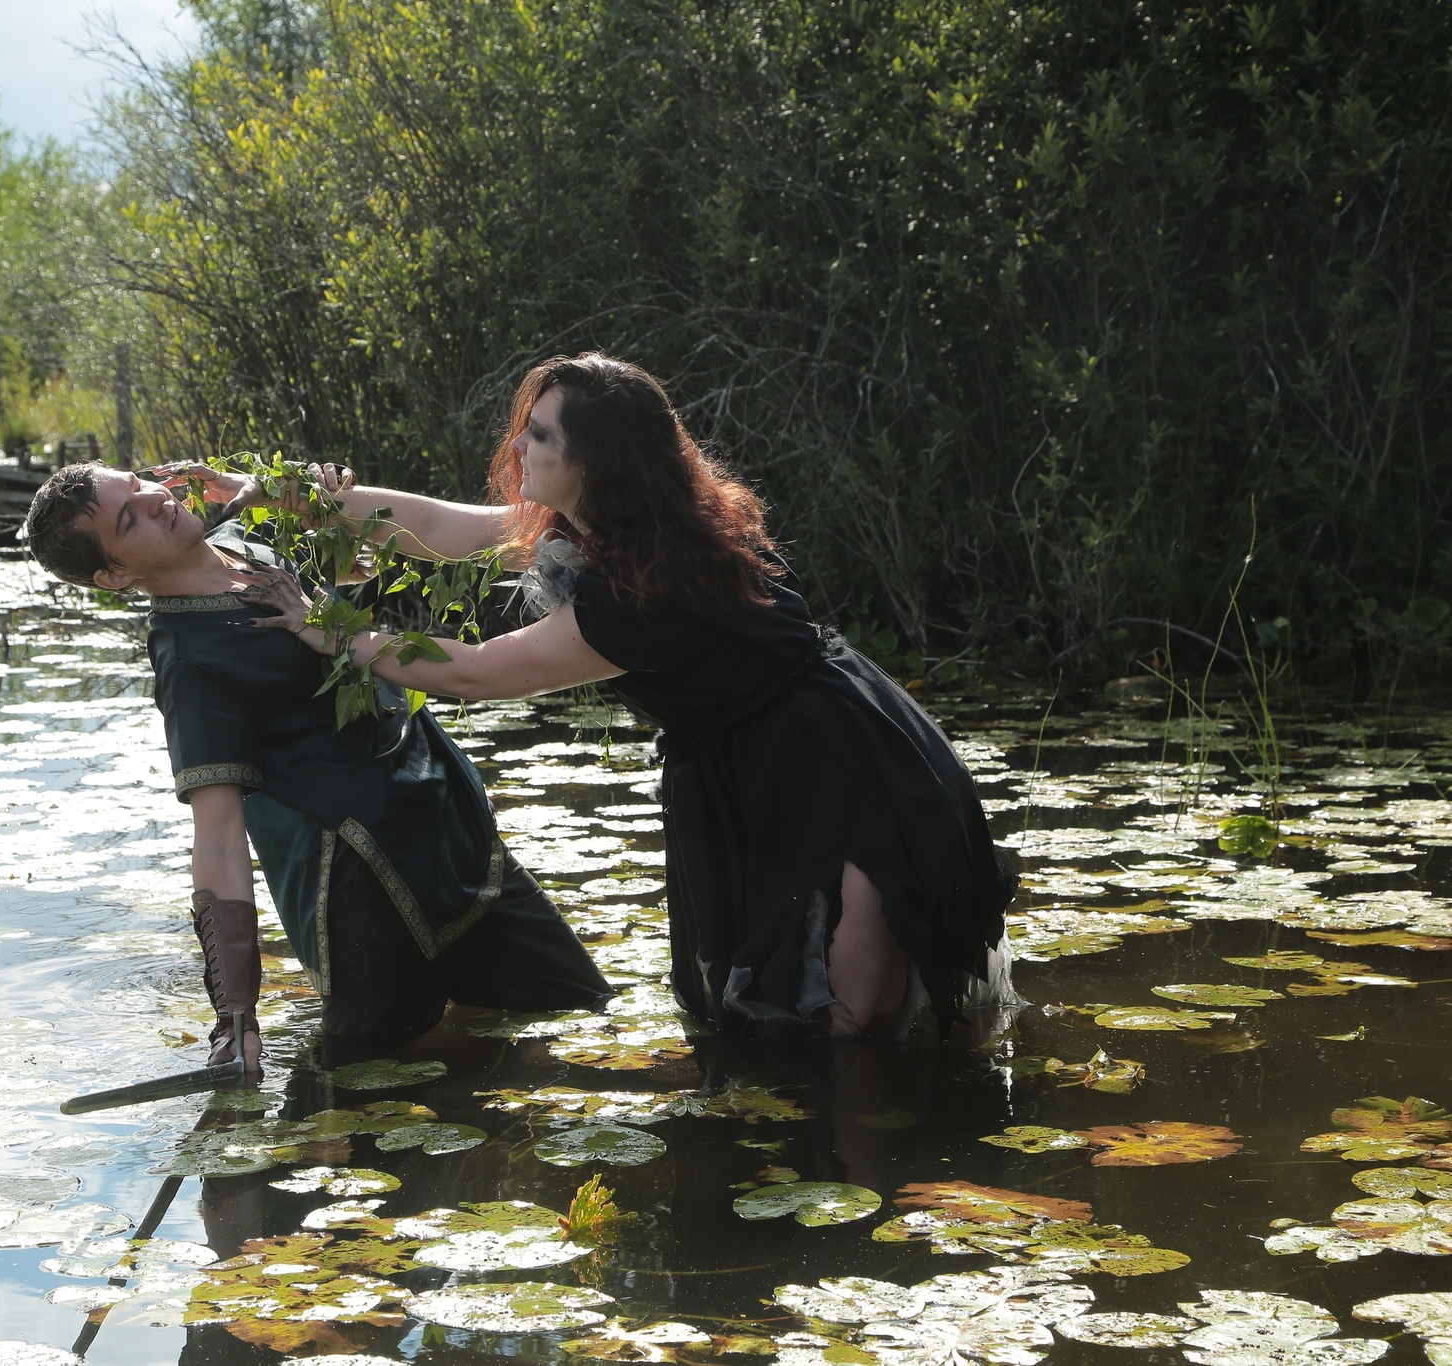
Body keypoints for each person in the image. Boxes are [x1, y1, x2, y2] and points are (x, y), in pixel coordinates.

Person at [237, 352, 1015, 1040]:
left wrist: (331, 630)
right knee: (808, 1015)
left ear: (596, 461)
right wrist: (295, 499)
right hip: (780, 752)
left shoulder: (647, 588)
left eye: (540, 435)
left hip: (840, 765)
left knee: (848, 1023)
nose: (518, 446)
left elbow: (478, 671)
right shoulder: (611, 528)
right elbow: (448, 527)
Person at [19, 463, 612, 1082]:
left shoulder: (244, 541)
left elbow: (361, 566)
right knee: (367, 1097)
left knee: (580, 1007)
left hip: (450, 830)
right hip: (363, 891)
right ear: (115, 575)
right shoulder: (191, 658)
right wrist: (236, 1014)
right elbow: (219, 839)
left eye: (137, 485)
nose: (154, 502)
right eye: (128, 518)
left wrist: (302, 494)